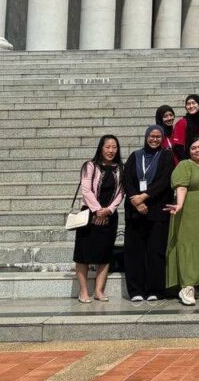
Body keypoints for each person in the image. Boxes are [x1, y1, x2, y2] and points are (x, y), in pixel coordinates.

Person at [122, 126, 174, 301]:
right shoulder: (135, 156)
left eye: (158, 136)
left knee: (155, 252)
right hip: (135, 212)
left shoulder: (166, 156)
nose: (155, 139)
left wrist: (144, 197)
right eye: (151, 136)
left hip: (157, 211)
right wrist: (135, 201)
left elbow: (164, 181)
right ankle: (136, 290)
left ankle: (155, 290)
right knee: (134, 252)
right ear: (146, 137)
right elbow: (126, 180)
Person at [166, 135, 199, 305]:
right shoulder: (184, 165)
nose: (197, 150)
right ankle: (187, 286)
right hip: (189, 211)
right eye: (193, 148)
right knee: (189, 246)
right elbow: (181, 186)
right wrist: (179, 204)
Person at [73, 135, 123, 303]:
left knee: (105, 254)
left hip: (109, 216)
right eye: (107, 147)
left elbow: (121, 193)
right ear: (101, 148)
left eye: (114, 147)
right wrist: (97, 210)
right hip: (89, 215)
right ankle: (83, 291)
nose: (111, 150)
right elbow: (86, 191)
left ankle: (99, 291)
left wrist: (108, 210)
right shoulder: (90, 166)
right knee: (83, 254)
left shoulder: (120, 168)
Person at [171, 95, 199, 162]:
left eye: (193, 103)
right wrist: (188, 163)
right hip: (187, 162)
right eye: (188, 104)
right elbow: (178, 147)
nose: (191, 106)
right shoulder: (182, 123)